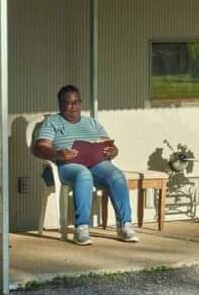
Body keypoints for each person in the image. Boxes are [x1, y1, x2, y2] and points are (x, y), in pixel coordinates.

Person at [31, 83, 137, 245]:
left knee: (116, 174)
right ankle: (81, 228)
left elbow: (109, 145)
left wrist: (112, 151)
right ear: (60, 104)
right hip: (67, 164)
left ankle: (125, 226)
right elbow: (39, 148)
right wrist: (57, 154)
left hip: (95, 162)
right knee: (83, 173)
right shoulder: (52, 122)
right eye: (69, 103)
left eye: (77, 102)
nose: (74, 107)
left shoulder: (92, 123)